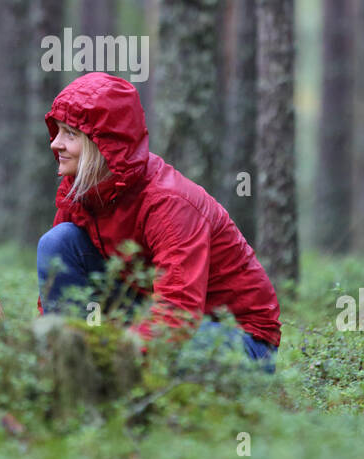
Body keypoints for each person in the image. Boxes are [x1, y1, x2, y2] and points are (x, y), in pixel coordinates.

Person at [37, 72, 282, 370]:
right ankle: (67, 361)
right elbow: (57, 279)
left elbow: (176, 315)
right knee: (58, 241)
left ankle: (103, 369)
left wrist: (114, 354)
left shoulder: (168, 202)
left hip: (240, 340)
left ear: (103, 142)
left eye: (70, 134)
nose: (55, 143)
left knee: (167, 345)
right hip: (149, 313)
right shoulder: (81, 188)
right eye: (58, 131)